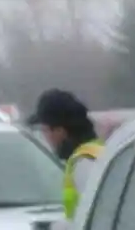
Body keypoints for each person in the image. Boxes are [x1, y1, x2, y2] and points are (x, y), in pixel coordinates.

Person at [27, 89, 104, 220]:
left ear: (59, 131)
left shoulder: (84, 163)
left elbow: (95, 220)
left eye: (45, 130)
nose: (46, 137)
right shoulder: (97, 150)